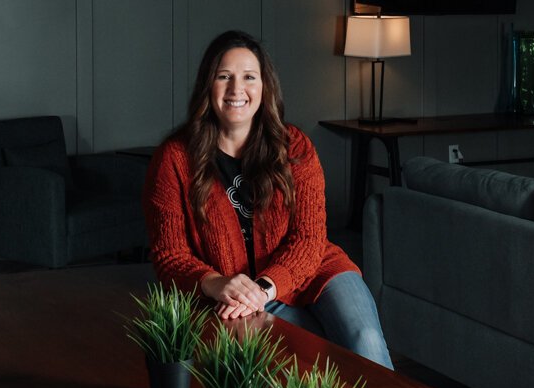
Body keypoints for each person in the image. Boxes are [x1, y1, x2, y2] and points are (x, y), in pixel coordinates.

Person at [143, 29, 393, 368]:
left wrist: (264, 288)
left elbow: (309, 240)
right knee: (312, 348)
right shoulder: (174, 158)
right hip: (238, 294)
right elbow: (169, 255)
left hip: (314, 272)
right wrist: (217, 284)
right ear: (208, 85)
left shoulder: (295, 147)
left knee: (365, 339)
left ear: (264, 87)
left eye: (249, 77)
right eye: (224, 77)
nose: (237, 89)